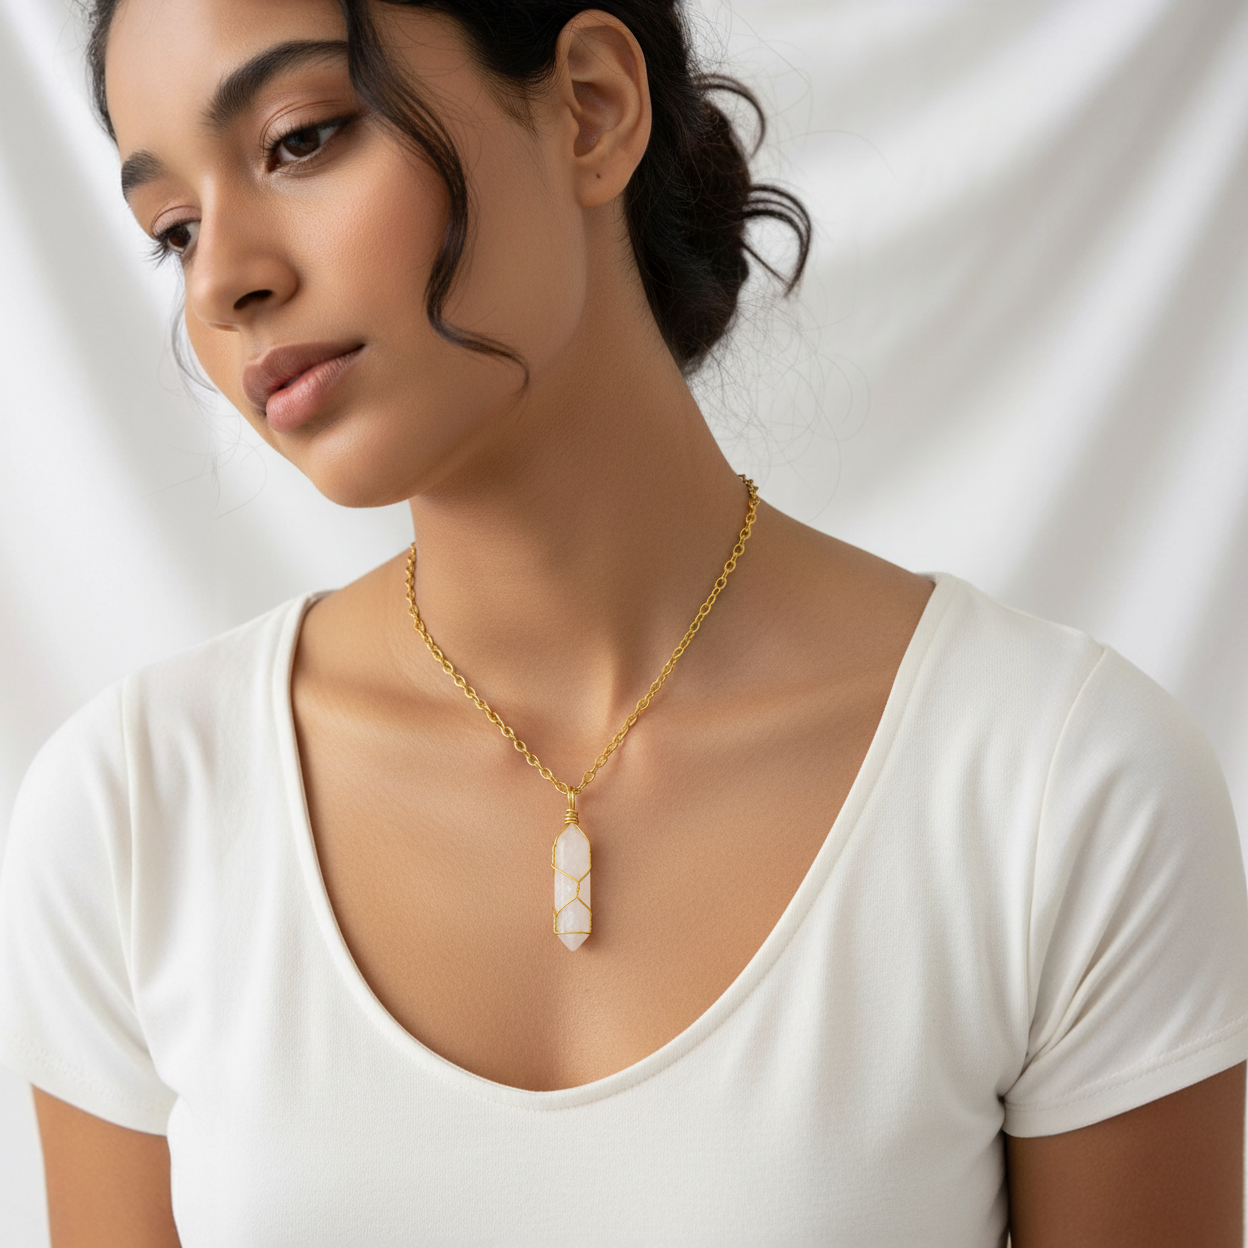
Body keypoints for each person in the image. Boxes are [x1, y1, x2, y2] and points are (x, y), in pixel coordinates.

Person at [1, 0, 1245, 1244]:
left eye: (302, 139)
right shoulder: (130, 816)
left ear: (593, 107)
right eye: (171, 230)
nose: (224, 281)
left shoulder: (1059, 788)